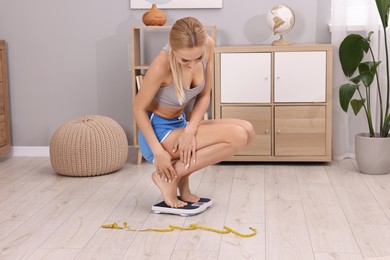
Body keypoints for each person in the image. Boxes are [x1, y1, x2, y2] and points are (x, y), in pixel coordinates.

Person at [132, 17, 255, 210]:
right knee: (237, 136)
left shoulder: (209, 45)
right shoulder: (161, 65)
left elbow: (205, 95)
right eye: (185, 60)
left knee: (247, 129)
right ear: (173, 49)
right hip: (158, 132)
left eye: (198, 58)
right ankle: (167, 178)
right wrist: (158, 152)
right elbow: (138, 109)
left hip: (180, 124)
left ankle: (180, 183)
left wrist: (190, 131)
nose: (192, 65)